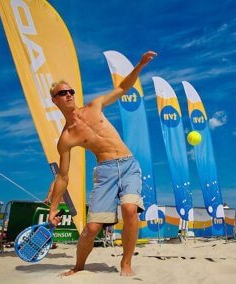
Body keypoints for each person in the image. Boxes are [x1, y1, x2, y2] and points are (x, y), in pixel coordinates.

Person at [48, 51, 157, 277]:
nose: (69, 95)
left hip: (128, 165)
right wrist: (54, 208)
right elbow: (63, 176)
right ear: (55, 100)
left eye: (71, 91)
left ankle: (126, 263)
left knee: (129, 209)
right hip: (105, 172)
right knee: (92, 228)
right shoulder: (66, 138)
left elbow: (122, 88)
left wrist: (140, 65)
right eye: (62, 93)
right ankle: (79, 266)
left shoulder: (94, 106)